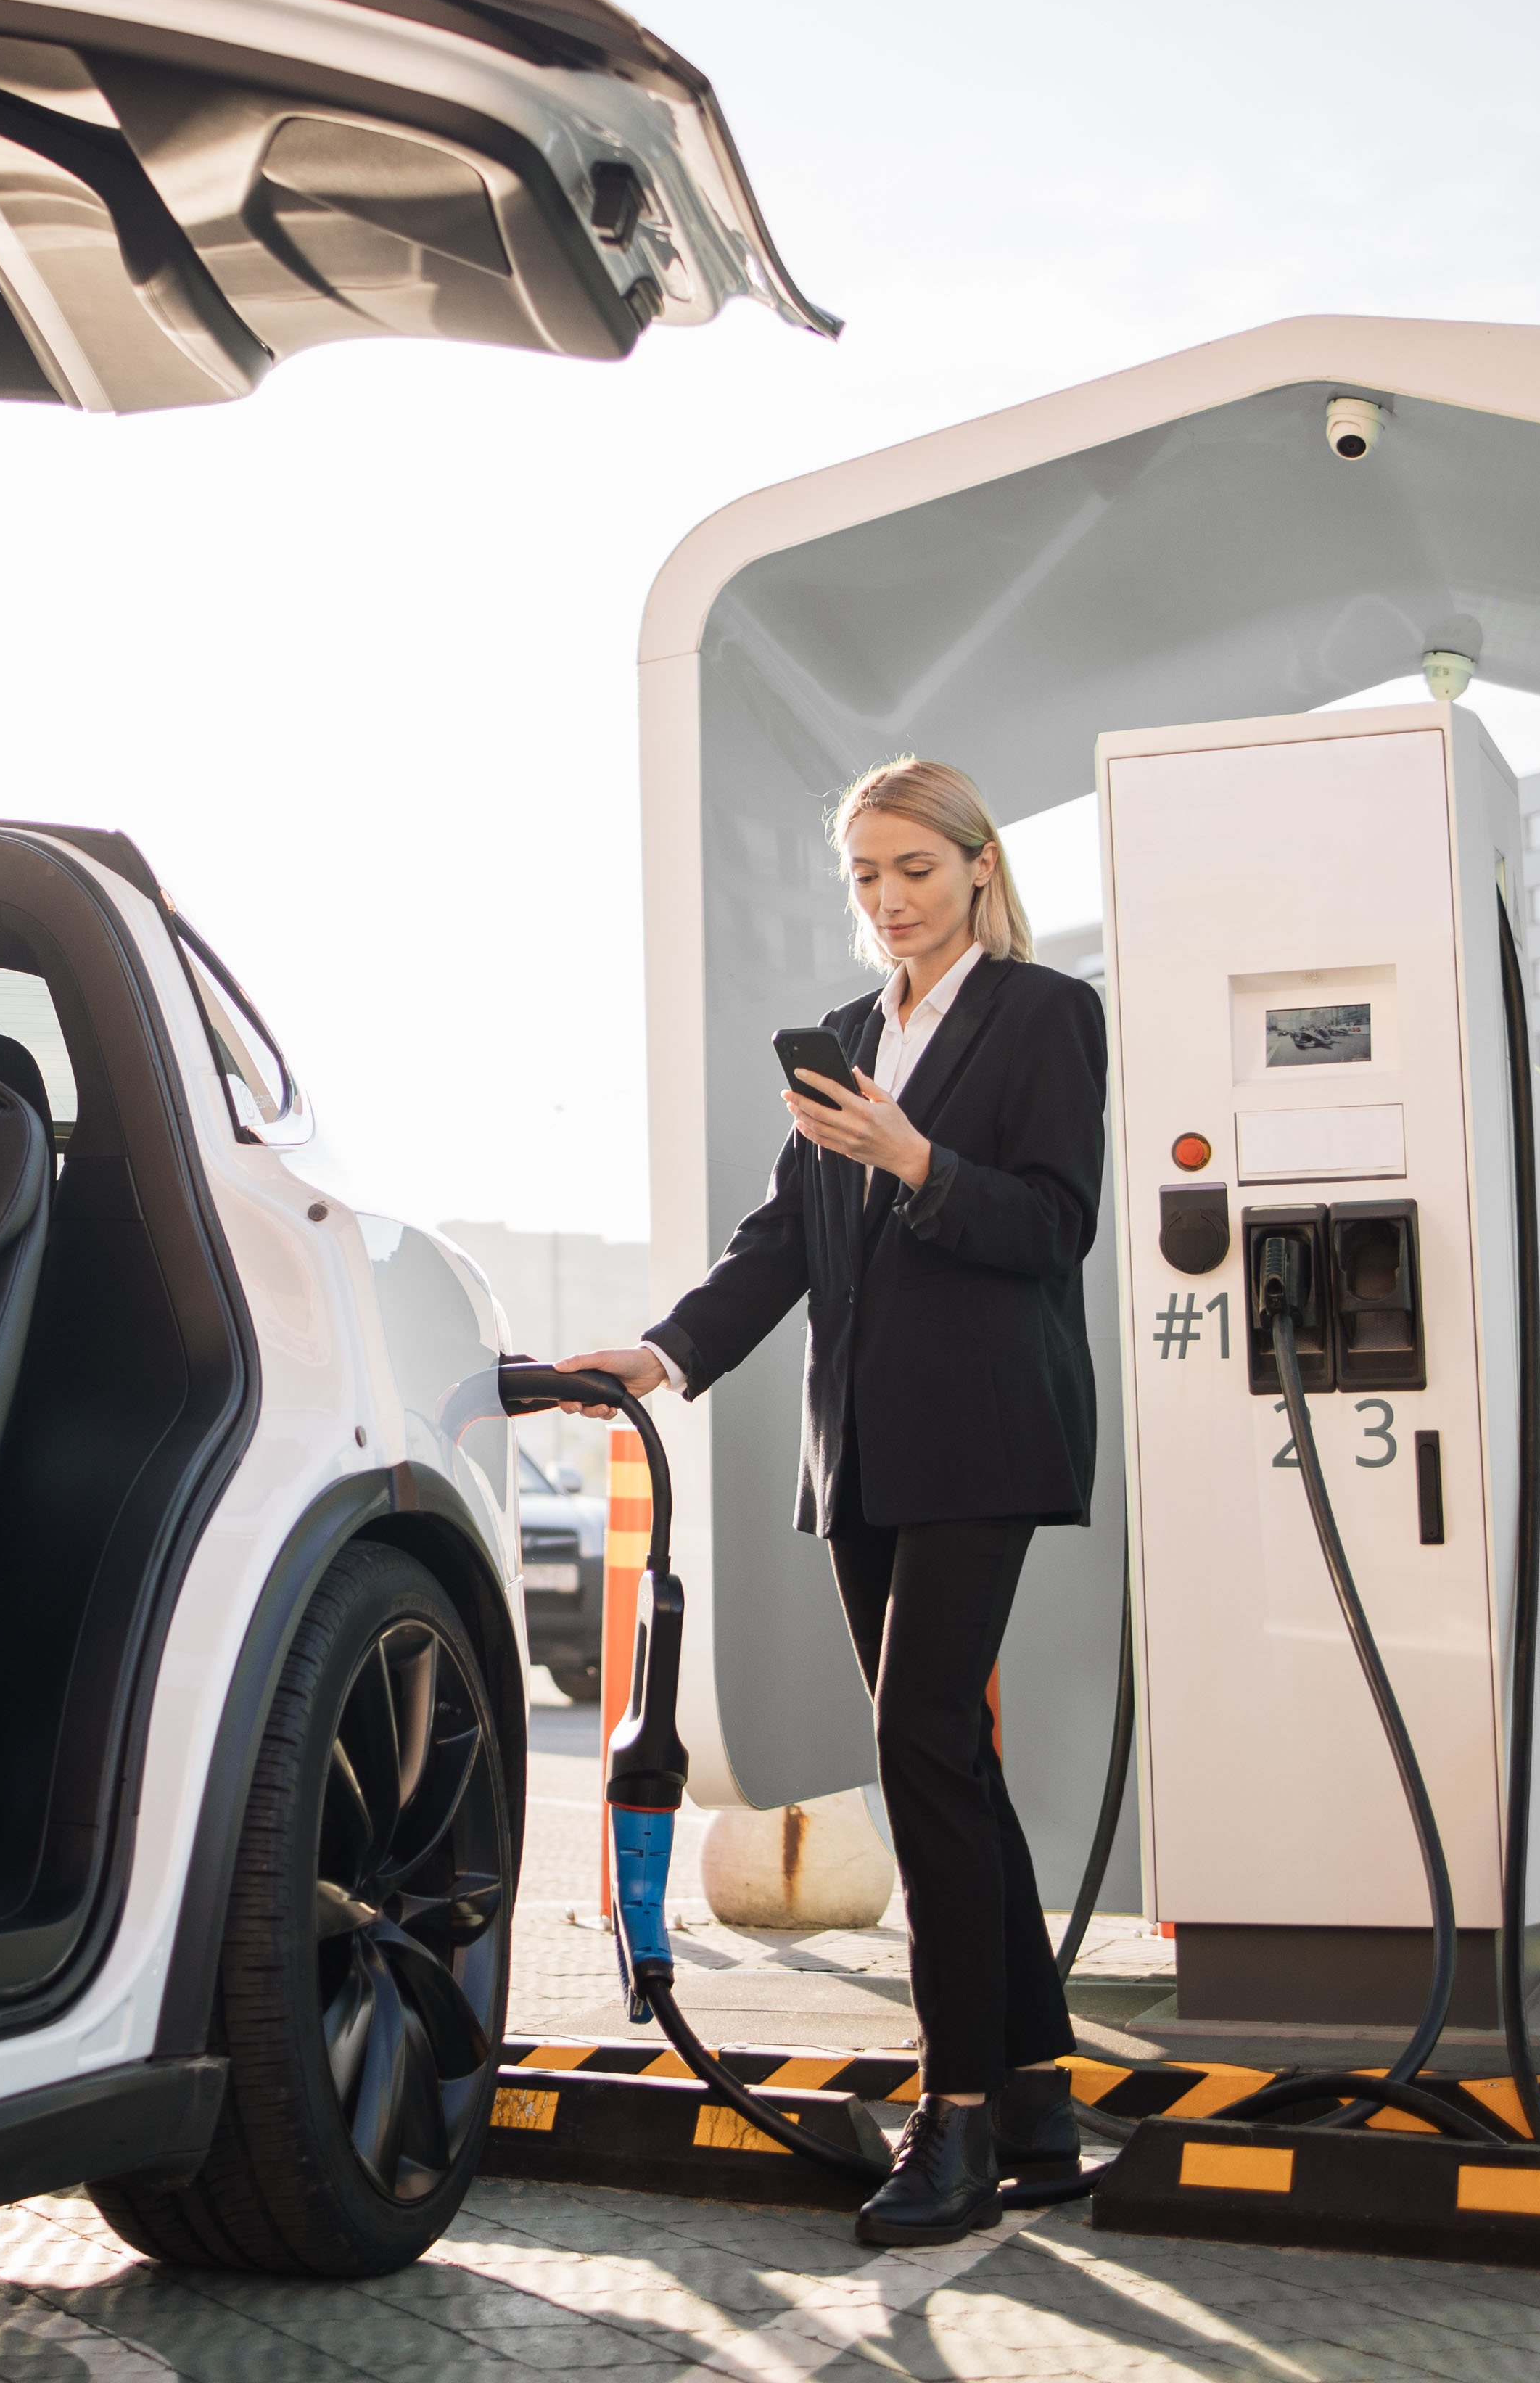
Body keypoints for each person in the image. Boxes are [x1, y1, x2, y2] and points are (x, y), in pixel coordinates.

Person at [560, 754, 1104, 2247]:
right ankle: (1042, 2103)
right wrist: (664, 1354)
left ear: (979, 866)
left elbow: (1058, 1224)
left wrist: (917, 1156)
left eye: (912, 870)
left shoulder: (1050, 1015)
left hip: (988, 1429)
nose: (887, 901)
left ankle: (965, 2110)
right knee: (949, 1764)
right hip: (860, 1441)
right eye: (865, 876)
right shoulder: (856, 1035)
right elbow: (784, 1236)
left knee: (920, 1744)